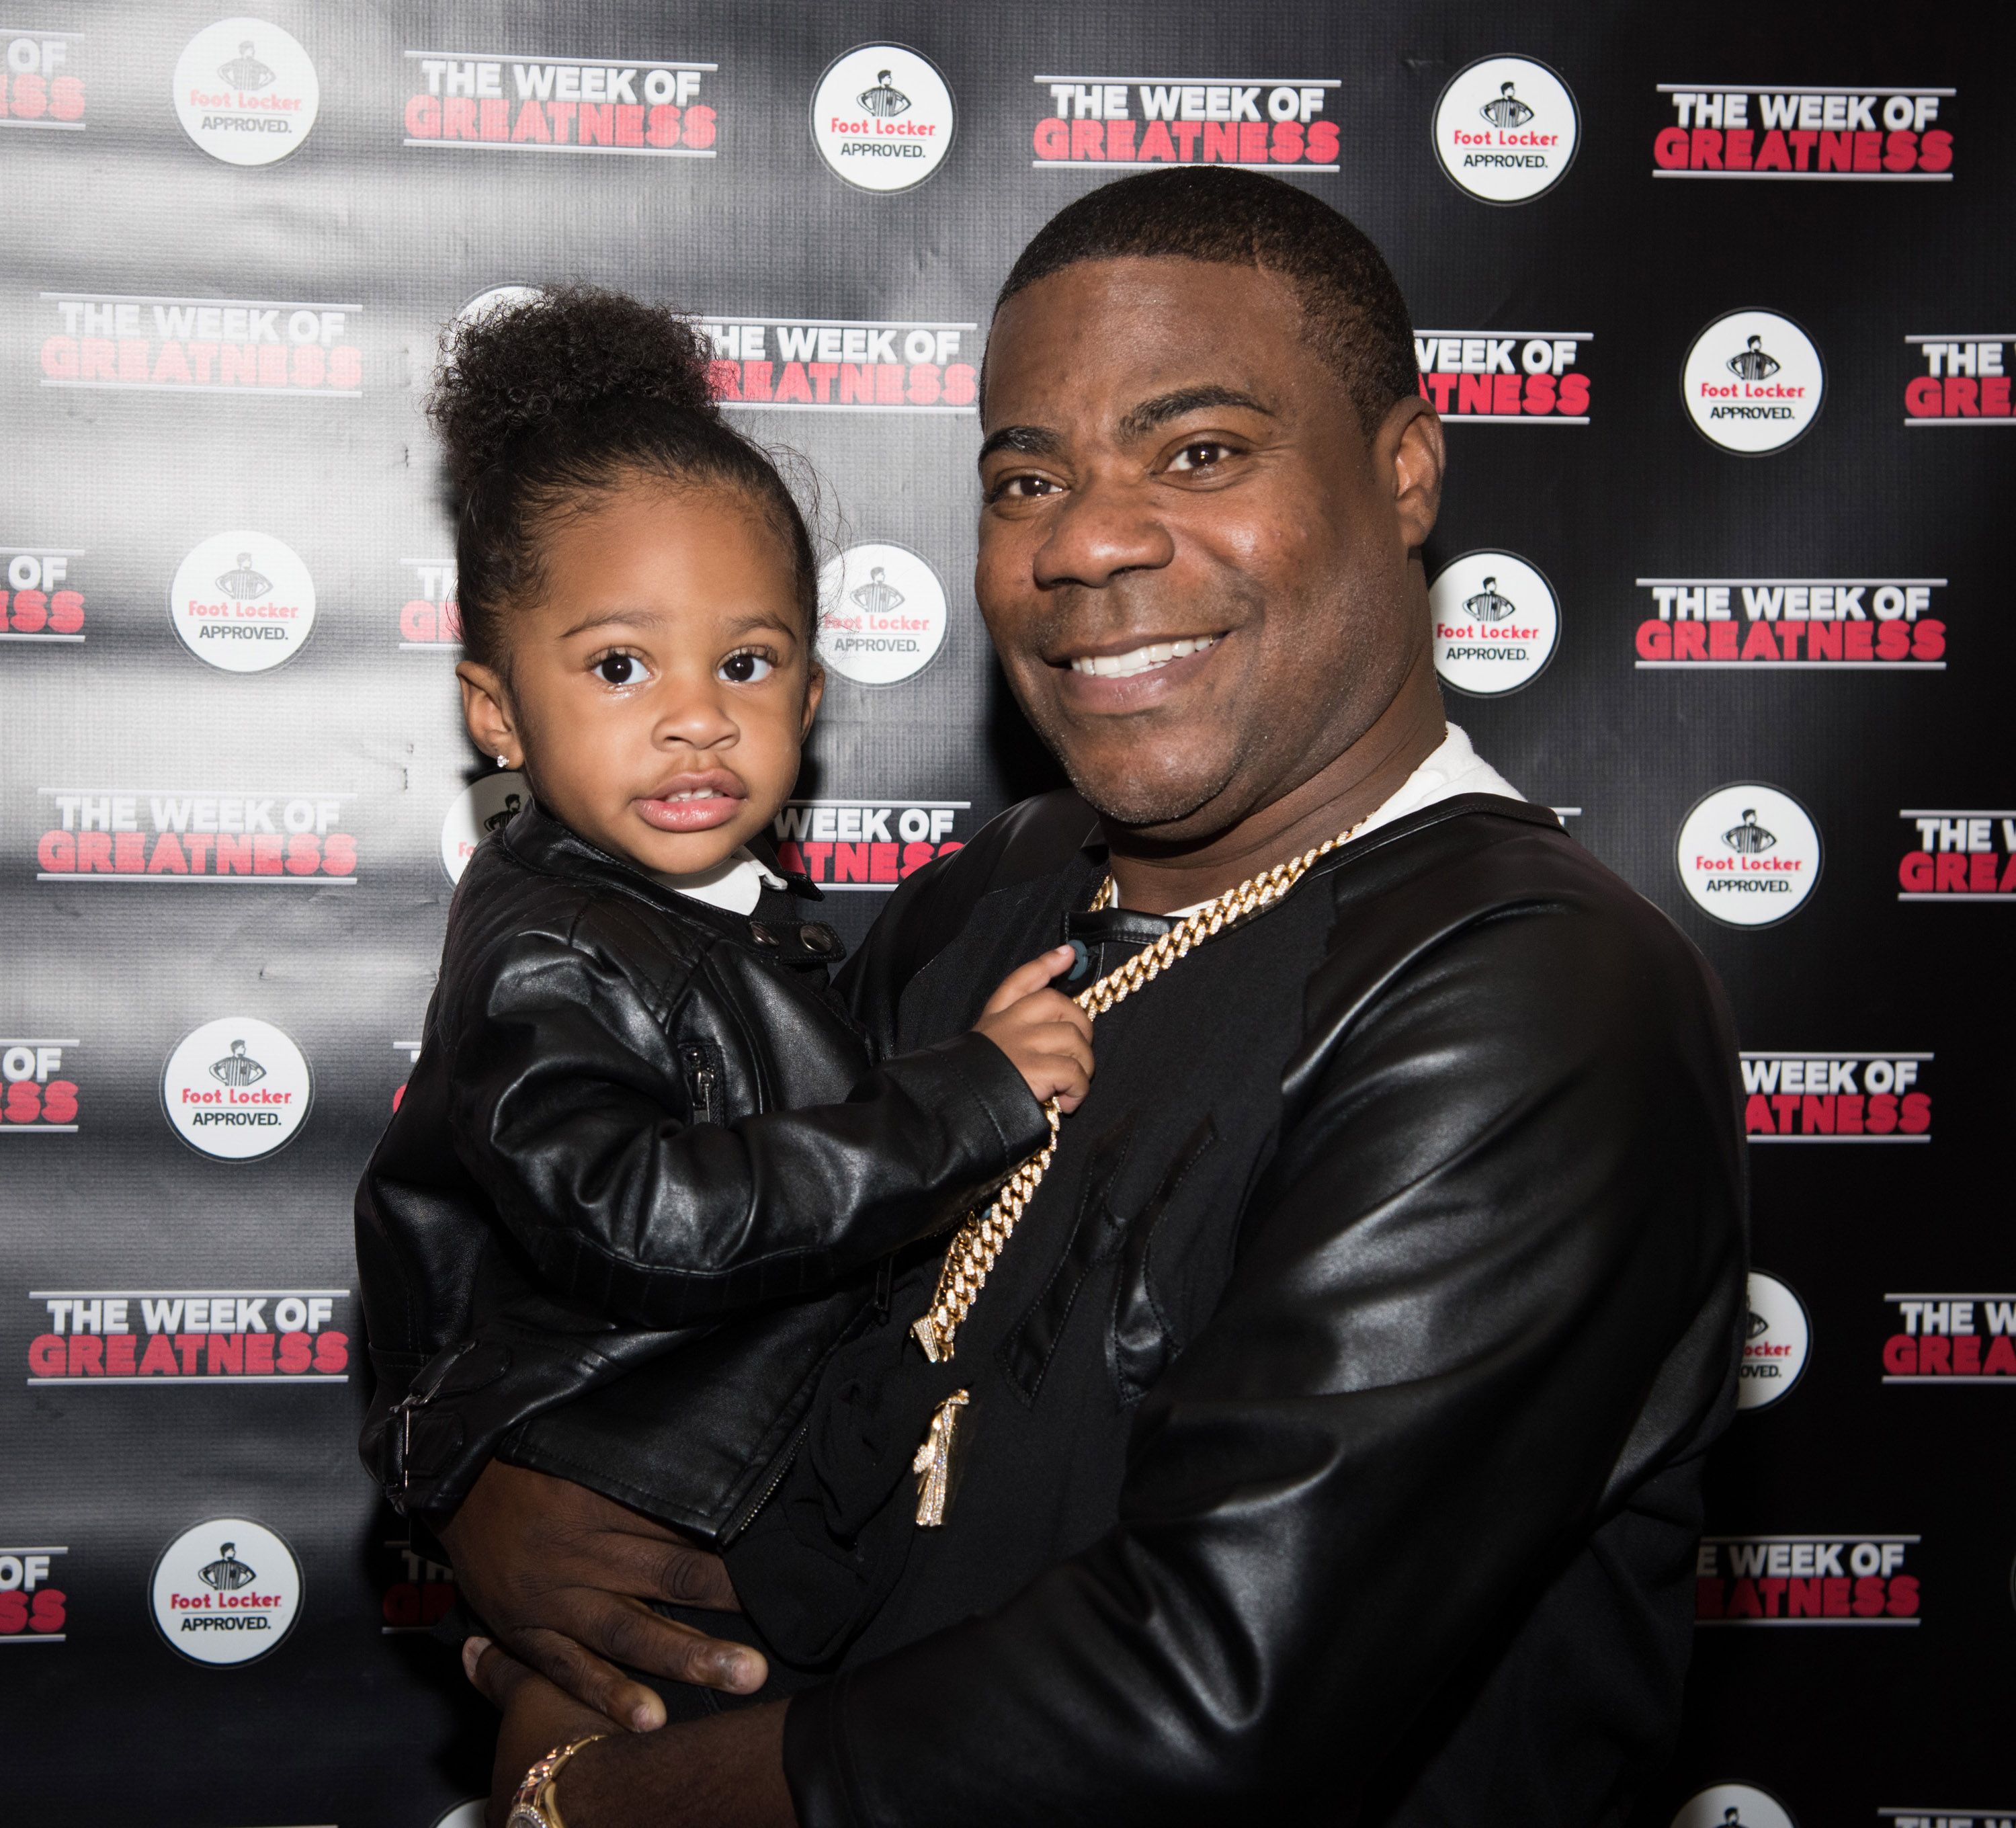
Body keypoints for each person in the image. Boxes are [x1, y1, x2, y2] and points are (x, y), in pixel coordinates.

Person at [446, 172, 1746, 1827]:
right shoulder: (986, 899)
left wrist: (586, 1803)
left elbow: (1201, 1699)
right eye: (1025, 477)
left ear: (1404, 470)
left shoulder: (1543, 999)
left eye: (1200, 452)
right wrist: (499, 1497)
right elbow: (704, 1300)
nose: (1086, 539)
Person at [355, 287, 1100, 1561]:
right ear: (496, 712)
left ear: (809, 694)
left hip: (730, 1477)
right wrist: (960, 1105)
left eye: (744, 665)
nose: (697, 716)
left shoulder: (721, 906)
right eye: (619, 667)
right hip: (636, 1494)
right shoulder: (553, 947)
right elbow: (640, 1219)